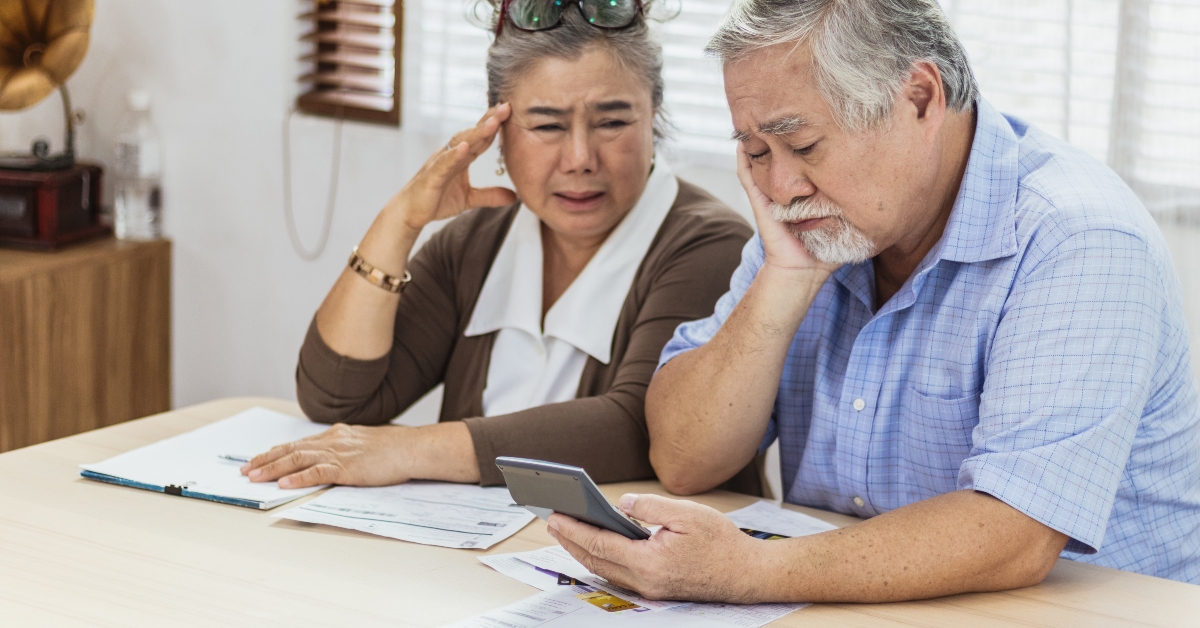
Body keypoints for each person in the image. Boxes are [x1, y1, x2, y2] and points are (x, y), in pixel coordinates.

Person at [545, 0, 1200, 603]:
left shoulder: (1077, 236)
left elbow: (1016, 529)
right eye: (754, 151)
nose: (779, 184)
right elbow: (687, 459)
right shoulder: (814, 220)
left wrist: (748, 572)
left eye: (802, 146)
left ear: (918, 97)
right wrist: (786, 278)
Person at [240, 0, 757, 491]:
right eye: (547, 125)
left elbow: (637, 428)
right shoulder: (478, 241)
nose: (579, 157)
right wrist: (399, 222)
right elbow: (337, 399)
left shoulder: (713, 246)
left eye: (612, 122)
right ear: (498, 128)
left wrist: (408, 450)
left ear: (654, 115)